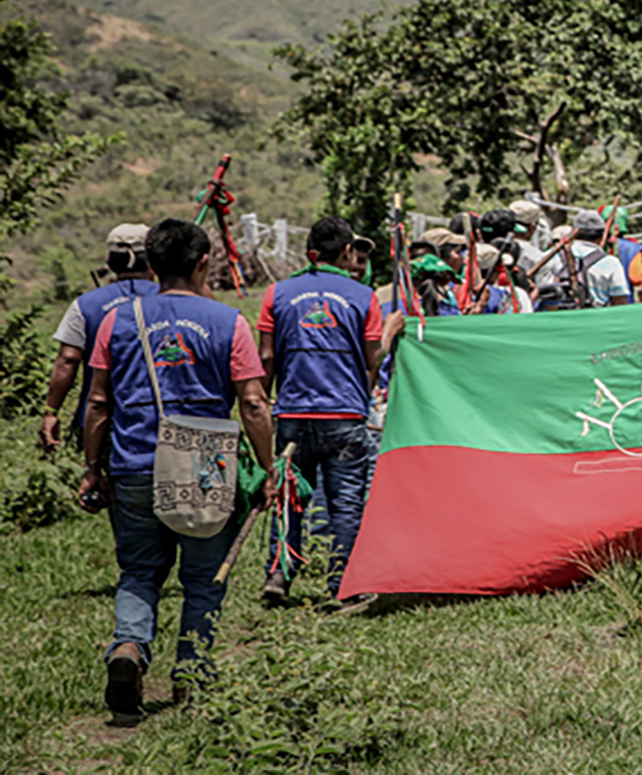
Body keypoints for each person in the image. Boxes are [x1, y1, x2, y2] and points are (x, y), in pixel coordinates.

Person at [76, 219, 278, 716]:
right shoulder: (228, 322)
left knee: (141, 571)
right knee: (204, 579)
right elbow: (253, 403)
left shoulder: (115, 321)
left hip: (133, 464)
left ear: (150, 263)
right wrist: (270, 469)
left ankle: (128, 647)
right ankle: (191, 675)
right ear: (203, 262)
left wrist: (92, 468)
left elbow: (98, 404)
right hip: (204, 464)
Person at [255, 218, 386, 607]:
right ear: (348, 252)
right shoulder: (363, 296)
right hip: (344, 415)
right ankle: (343, 583)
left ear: (309, 252)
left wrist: (262, 404)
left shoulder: (276, 293)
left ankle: (279, 573)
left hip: (292, 413)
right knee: (345, 499)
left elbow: (266, 356)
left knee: (289, 495)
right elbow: (372, 357)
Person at [41, 224, 160, 454]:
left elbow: (68, 359)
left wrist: (51, 411)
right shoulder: (173, 300)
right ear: (153, 262)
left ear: (109, 263)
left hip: (101, 424)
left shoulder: (86, 305)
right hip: (161, 421)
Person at [535, 210, 632, 309]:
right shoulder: (610, 263)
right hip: (598, 321)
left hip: (559, 320)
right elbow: (619, 302)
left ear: (574, 233)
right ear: (602, 236)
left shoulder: (551, 257)